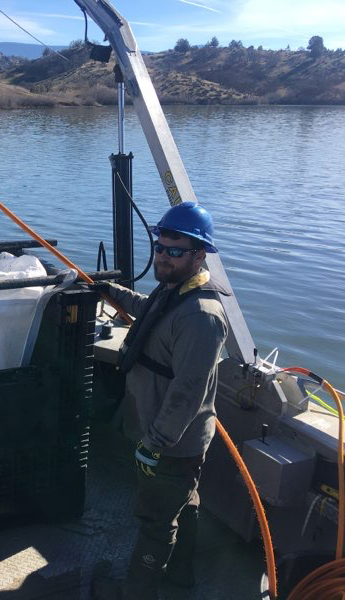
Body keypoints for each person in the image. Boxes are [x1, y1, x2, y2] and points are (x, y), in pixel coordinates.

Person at [92, 201, 230, 600]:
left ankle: (137, 593)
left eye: (175, 250)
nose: (163, 257)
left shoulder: (202, 316)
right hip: (162, 435)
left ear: (199, 255)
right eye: (160, 247)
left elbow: (186, 394)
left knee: (156, 521)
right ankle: (181, 576)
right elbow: (144, 309)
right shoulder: (173, 288)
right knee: (183, 504)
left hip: (172, 443)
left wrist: (154, 445)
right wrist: (106, 289)